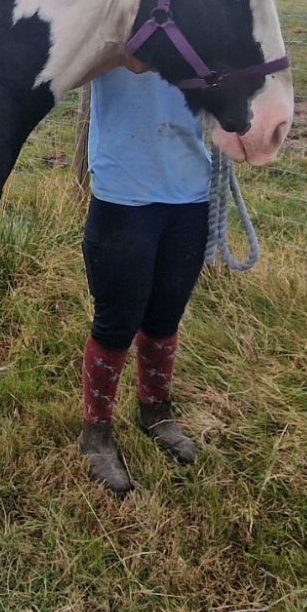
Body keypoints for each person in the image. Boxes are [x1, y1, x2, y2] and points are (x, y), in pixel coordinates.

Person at [77, 55, 211, 495]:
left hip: (190, 188)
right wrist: (120, 55)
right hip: (124, 191)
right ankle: (96, 432)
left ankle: (156, 410)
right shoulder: (118, 3)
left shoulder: (206, 12)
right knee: (117, 321)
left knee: (165, 315)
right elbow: (73, 66)